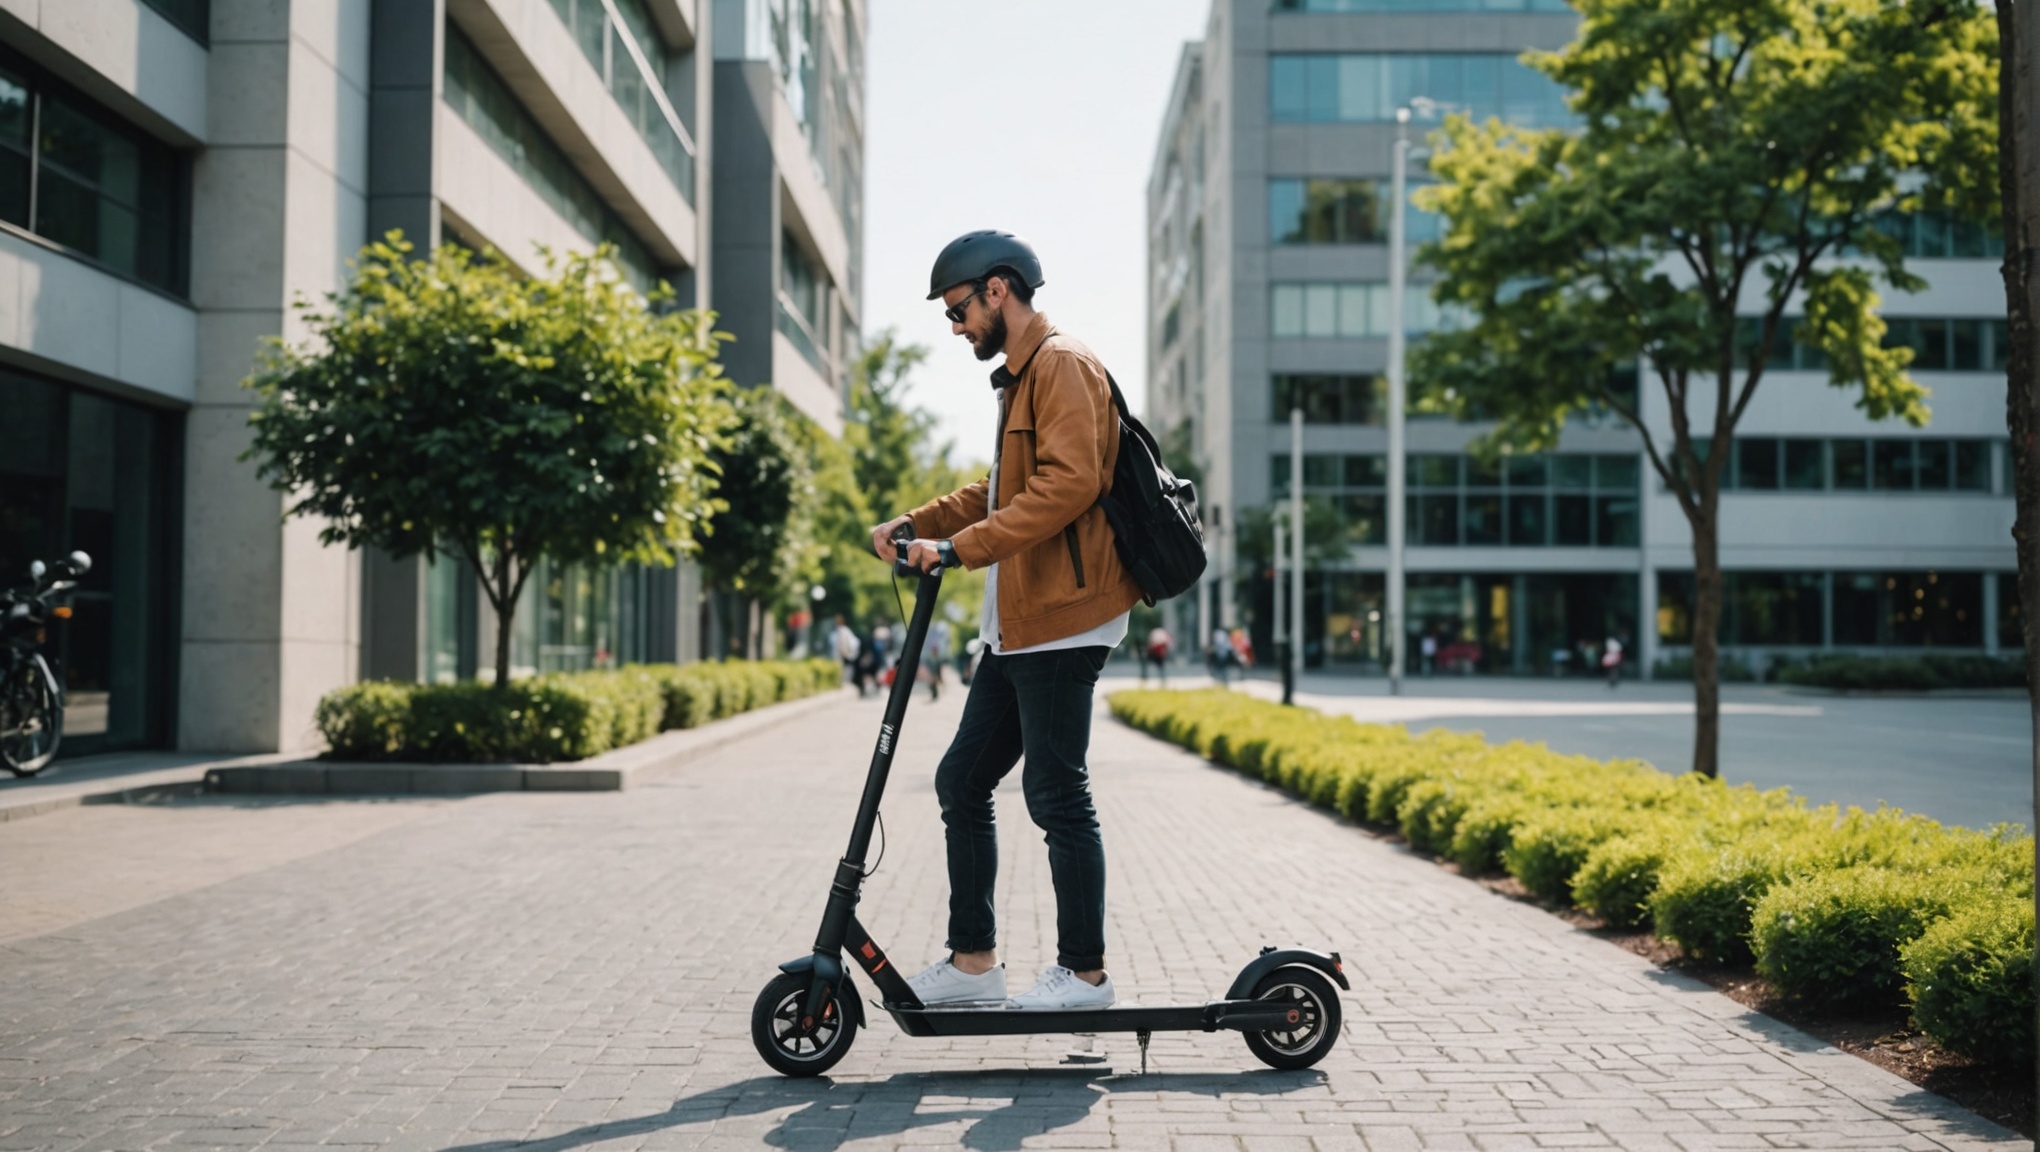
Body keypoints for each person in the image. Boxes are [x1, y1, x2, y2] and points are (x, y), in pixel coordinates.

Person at [875, 230, 1141, 1012]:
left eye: (957, 310)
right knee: (962, 779)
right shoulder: (1022, 379)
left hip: (1064, 616)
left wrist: (956, 550)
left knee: (1057, 793)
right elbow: (1001, 490)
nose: (955, 327)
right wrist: (913, 522)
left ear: (998, 289)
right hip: (1020, 624)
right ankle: (972, 966)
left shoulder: (1061, 365)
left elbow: (1068, 485)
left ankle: (1085, 975)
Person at [923, 618, 952, 701]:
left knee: (934, 680)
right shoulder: (930, 657)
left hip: (934, 666)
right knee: (932, 680)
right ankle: (934, 694)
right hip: (932, 666)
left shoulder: (936, 657)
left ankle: (935, 694)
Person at [832, 614, 861, 689]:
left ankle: (844, 683)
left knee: (845, 671)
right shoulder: (841, 630)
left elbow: (844, 643)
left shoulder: (842, 630)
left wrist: (845, 652)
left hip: (844, 654)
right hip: (843, 654)